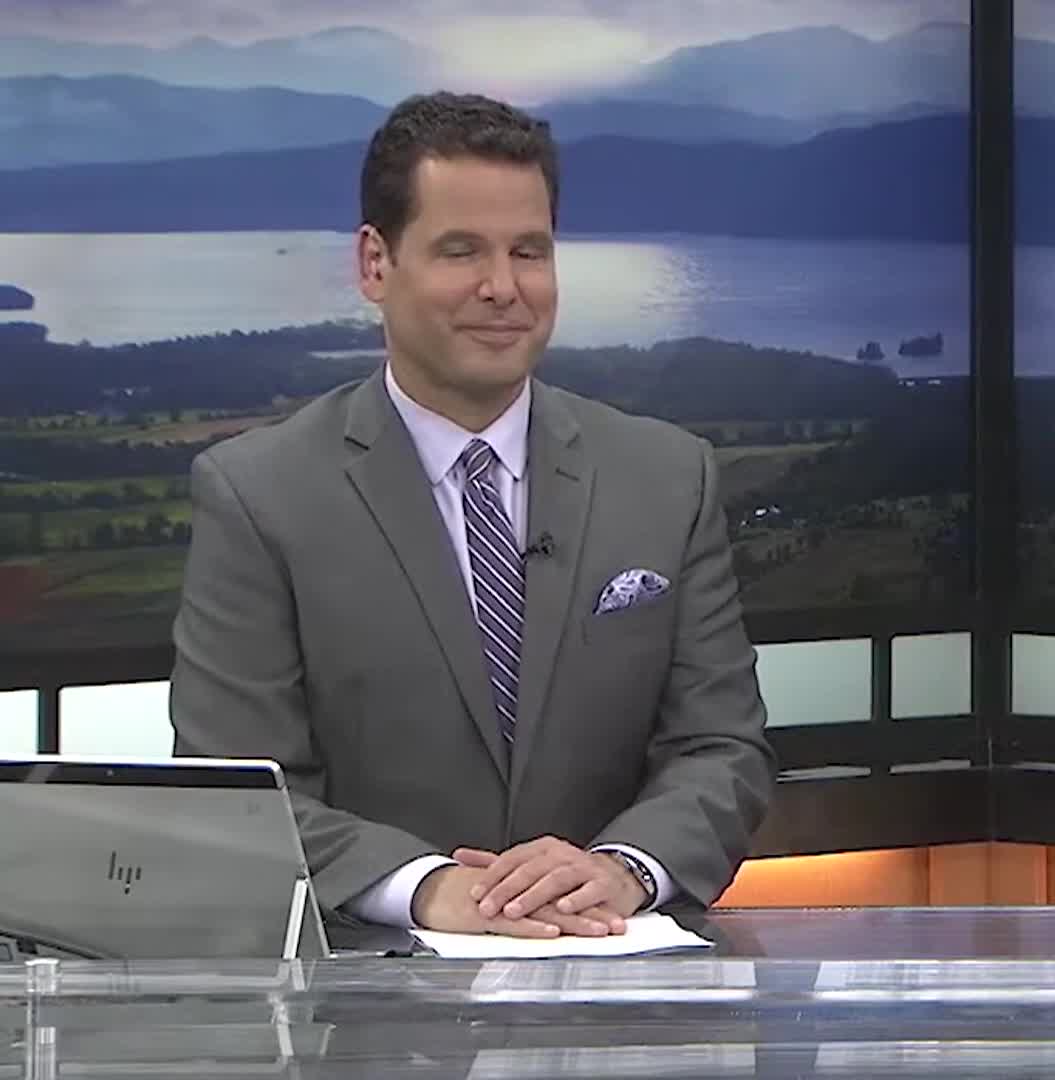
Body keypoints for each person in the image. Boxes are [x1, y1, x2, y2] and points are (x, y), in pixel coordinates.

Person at [170, 92, 776, 939]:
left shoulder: (667, 477)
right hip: (366, 1016)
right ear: (375, 263)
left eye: (529, 251)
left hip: (617, 984)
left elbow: (722, 751)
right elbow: (239, 793)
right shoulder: (259, 494)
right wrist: (426, 888)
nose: (504, 288)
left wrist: (622, 869)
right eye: (462, 251)